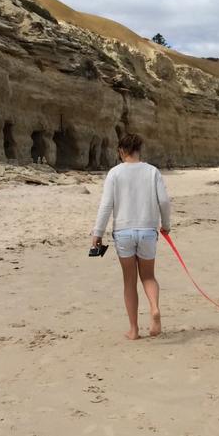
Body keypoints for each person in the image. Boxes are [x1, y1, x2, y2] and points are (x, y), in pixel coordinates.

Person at [91, 133, 171, 340]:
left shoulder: (115, 173)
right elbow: (163, 201)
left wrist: (97, 233)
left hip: (124, 232)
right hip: (147, 231)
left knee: (129, 281)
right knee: (148, 276)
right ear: (138, 150)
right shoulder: (152, 171)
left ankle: (134, 329)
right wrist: (166, 225)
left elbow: (106, 205)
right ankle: (154, 308)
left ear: (121, 151)